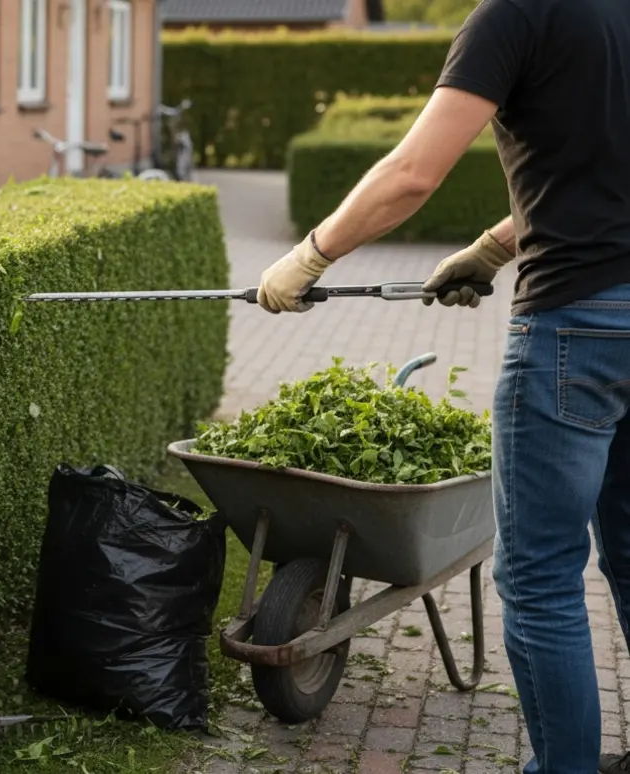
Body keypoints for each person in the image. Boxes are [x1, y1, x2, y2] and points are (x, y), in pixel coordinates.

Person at [255, 1, 630, 772]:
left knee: (539, 579)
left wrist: (311, 254)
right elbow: (599, 168)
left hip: (577, 327)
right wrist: (494, 247)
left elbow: (412, 174)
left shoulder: (513, 15)